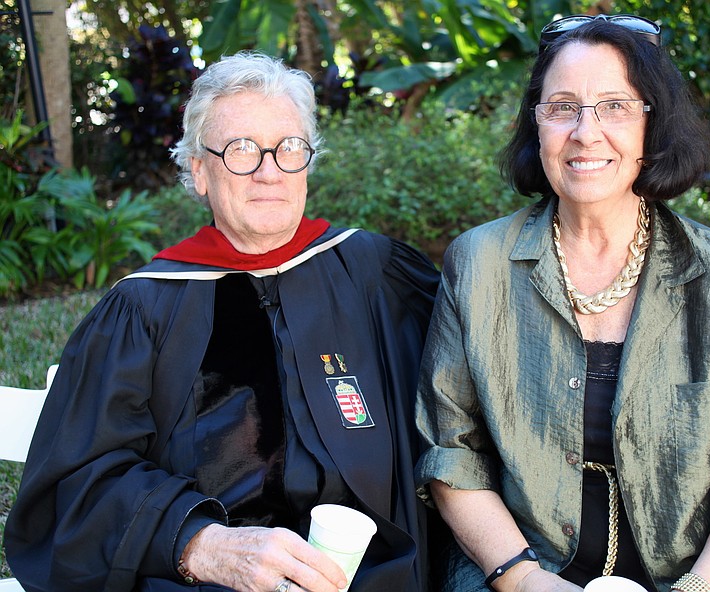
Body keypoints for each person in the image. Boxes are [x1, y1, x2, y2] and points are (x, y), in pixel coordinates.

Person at [5, 51, 440, 592]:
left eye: (288, 148)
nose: (268, 171)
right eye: (240, 150)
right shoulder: (143, 309)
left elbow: (469, 397)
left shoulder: (378, 276)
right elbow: (75, 485)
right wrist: (196, 543)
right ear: (199, 170)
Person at [414, 14, 710, 592]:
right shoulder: (478, 264)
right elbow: (450, 450)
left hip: (701, 573)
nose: (585, 131)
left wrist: (697, 589)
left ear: (653, 127)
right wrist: (522, 579)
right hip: (523, 564)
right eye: (562, 107)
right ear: (537, 125)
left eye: (615, 106)